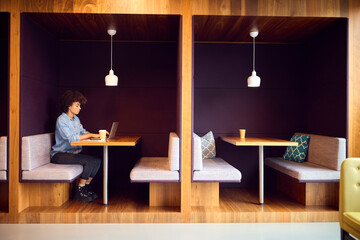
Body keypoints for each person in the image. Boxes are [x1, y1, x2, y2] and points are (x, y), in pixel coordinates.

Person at [51, 90, 101, 202]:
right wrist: (90, 135)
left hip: (73, 153)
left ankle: (86, 186)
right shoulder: (62, 120)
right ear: (69, 106)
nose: (80, 108)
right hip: (60, 155)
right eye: (77, 105)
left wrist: (97, 136)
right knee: (90, 161)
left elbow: (82, 133)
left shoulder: (76, 119)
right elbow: (71, 138)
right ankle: (80, 189)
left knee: (97, 160)